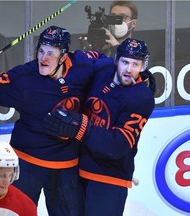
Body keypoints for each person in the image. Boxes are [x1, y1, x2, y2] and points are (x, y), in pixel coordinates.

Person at [0, 25, 107, 216]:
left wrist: (140, 78)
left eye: (50, 53)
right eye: (41, 51)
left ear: (64, 56)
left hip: (66, 167)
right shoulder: (24, 77)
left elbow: (106, 64)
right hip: (26, 164)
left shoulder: (82, 64)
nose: (43, 58)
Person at [43, 38, 155, 216]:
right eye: (125, 62)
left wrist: (81, 128)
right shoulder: (102, 66)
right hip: (76, 168)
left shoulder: (142, 97)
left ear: (143, 67)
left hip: (109, 177)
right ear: (117, 60)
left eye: (135, 64)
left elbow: (118, 145)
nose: (128, 69)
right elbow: (78, 58)